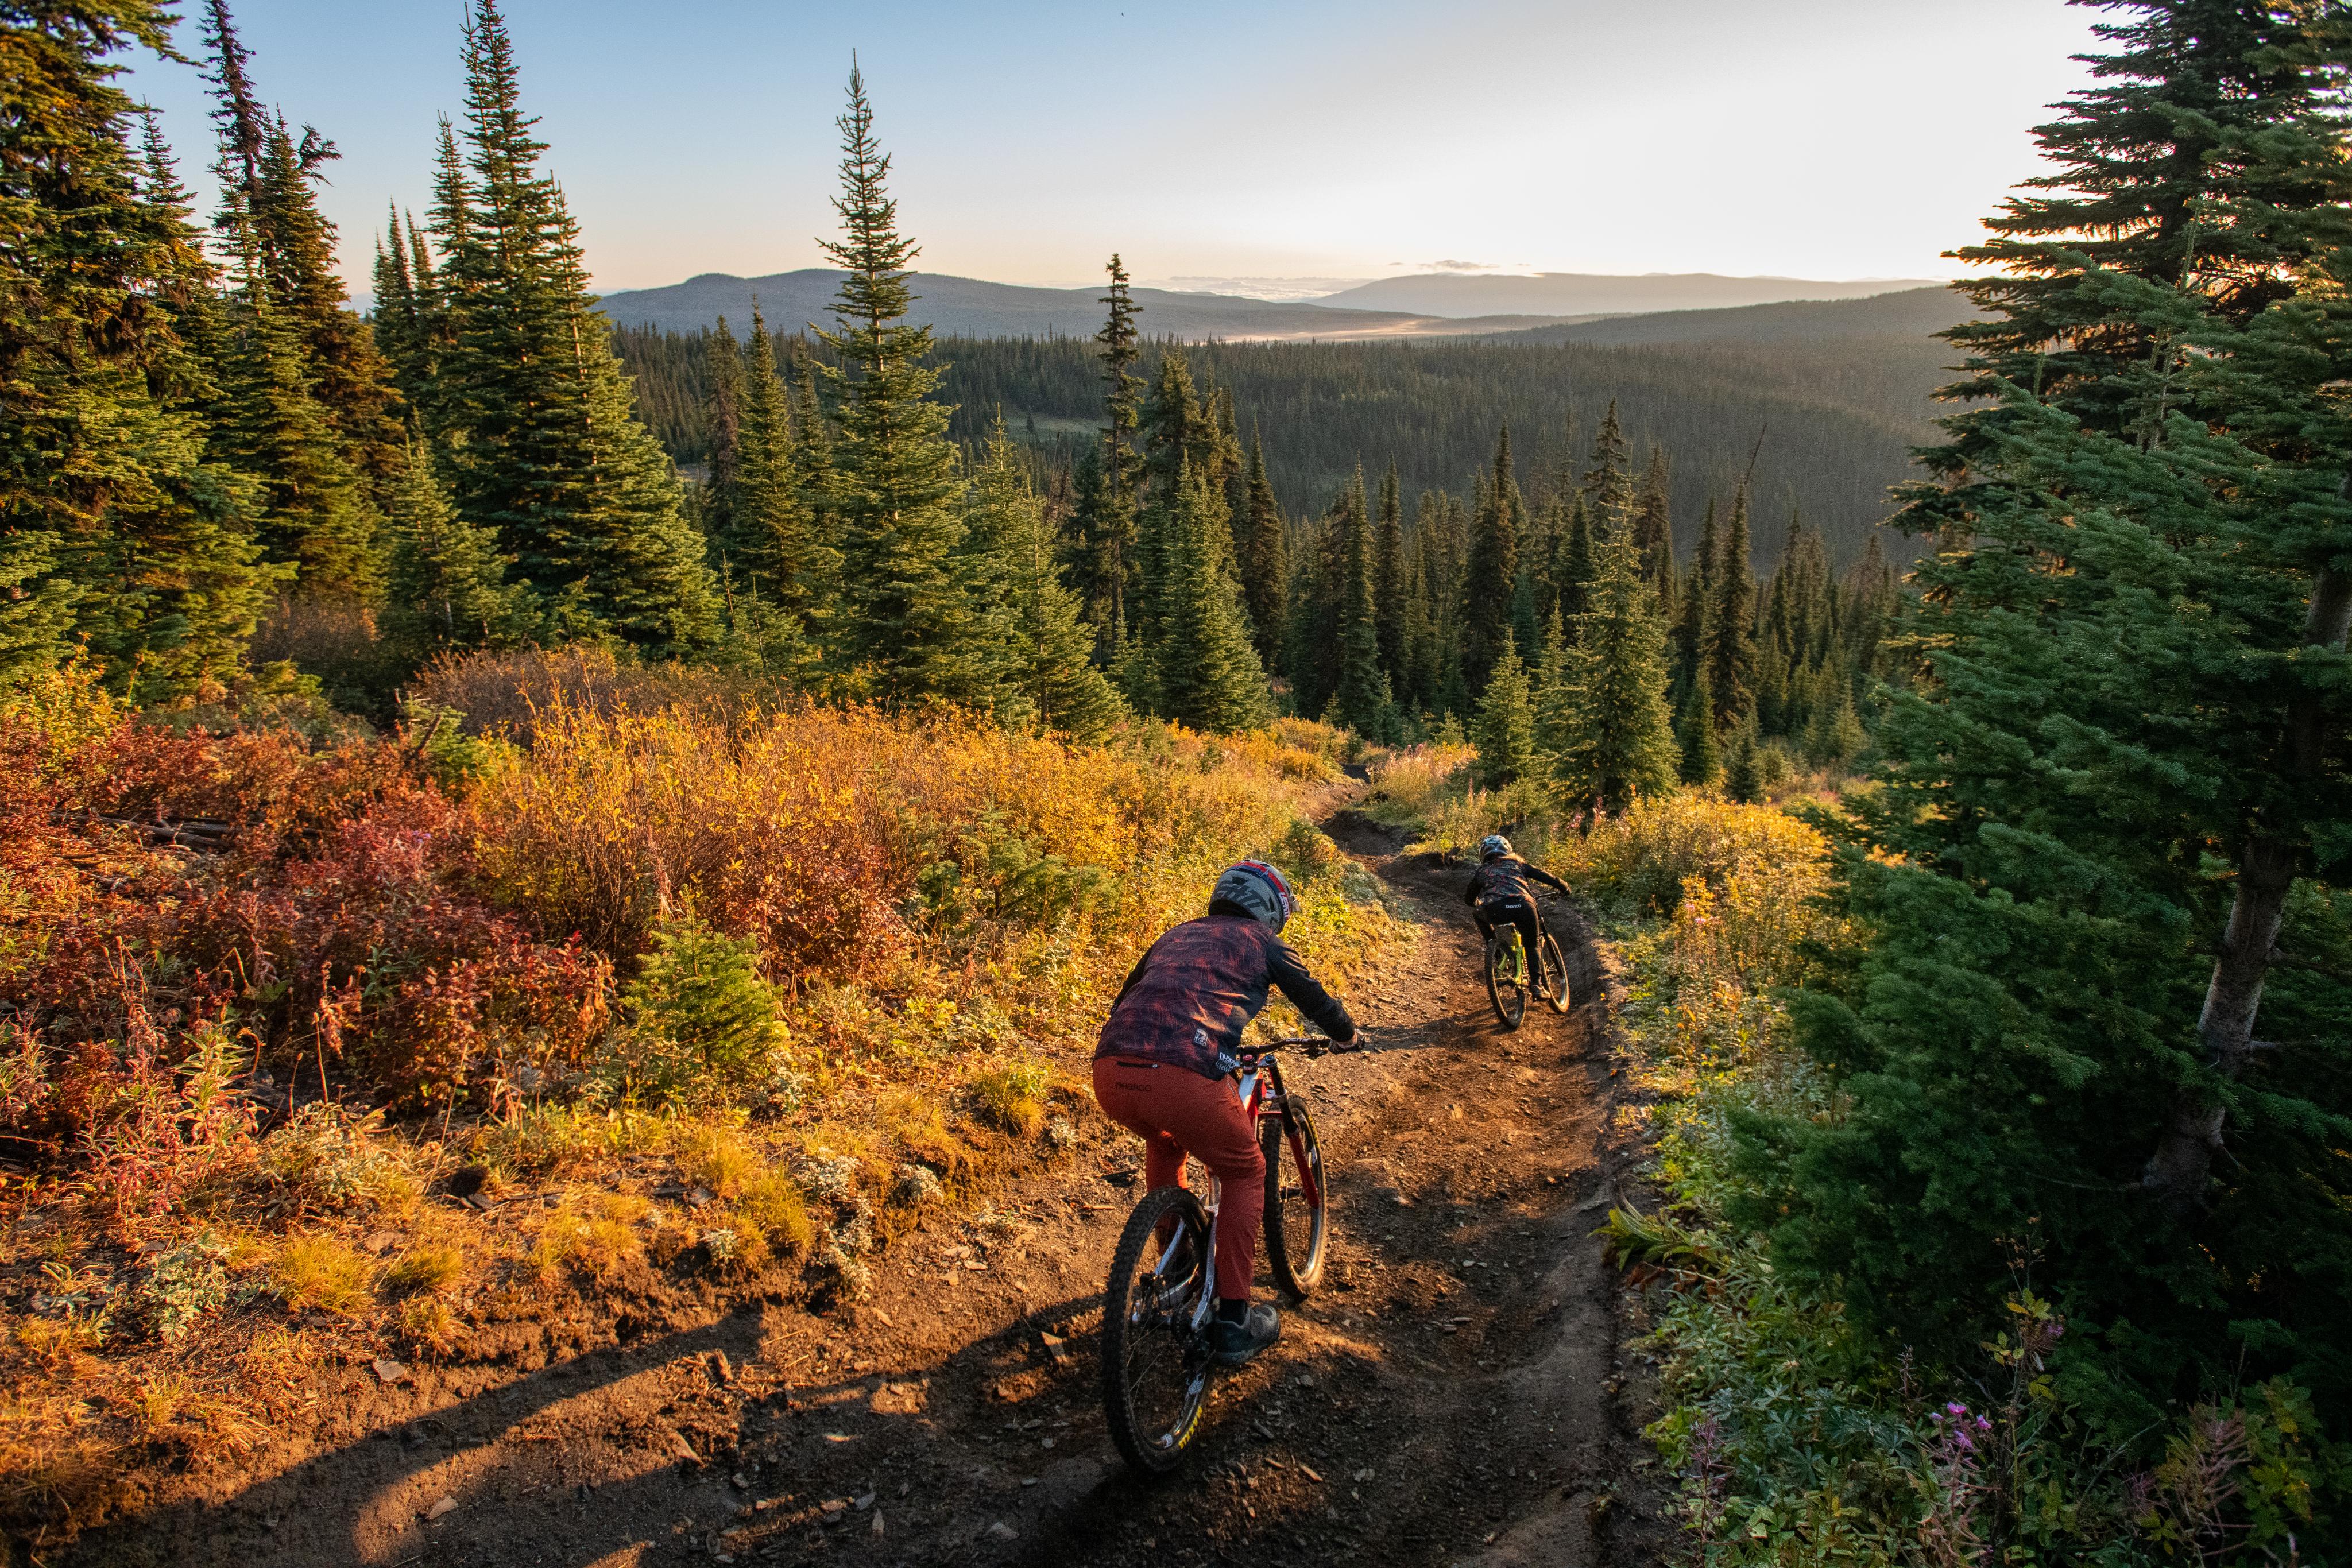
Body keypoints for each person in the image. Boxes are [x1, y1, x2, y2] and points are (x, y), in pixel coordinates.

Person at [1092, 858, 1358, 1365]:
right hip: (1183, 1072)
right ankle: (1234, 1319)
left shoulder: (1175, 935)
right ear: (1270, 909)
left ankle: (1177, 1268)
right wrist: (1347, 1033)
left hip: (1111, 1070)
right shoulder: (1262, 942)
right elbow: (1314, 998)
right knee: (1246, 1169)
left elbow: (1127, 999)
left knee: (1167, 1141)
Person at [1463, 834, 1568, 979]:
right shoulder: (1519, 865)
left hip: (1495, 909)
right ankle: (1537, 985)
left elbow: (1469, 899)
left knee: (1478, 913)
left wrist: (1477, 903)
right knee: (1532, 944)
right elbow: (1546, 876)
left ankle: (1496, 951)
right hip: (1524, 906)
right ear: (1508, 850)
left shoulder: (1482, 871)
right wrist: (1564, 887)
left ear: (1483, 853)